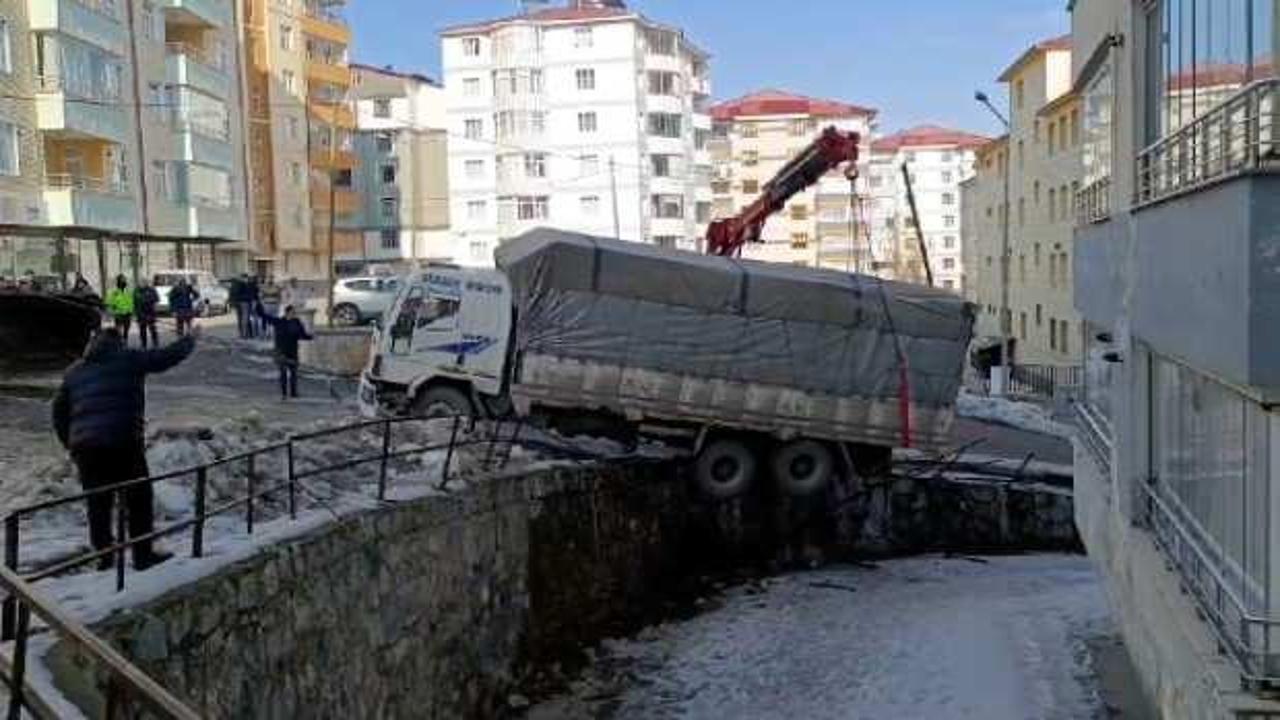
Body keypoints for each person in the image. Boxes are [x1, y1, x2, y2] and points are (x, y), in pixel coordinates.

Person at [51, 326, 199, 571]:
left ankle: (105, 558)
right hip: (123, 442)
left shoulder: (74, 372)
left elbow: (58, 414)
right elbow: (165, 357)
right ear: (118, 342)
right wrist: (190, 339)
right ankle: (142, 555)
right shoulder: (128, 359)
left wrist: (72, 444)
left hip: (87, 449)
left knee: (98, 504)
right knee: (137, 498)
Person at [256, 304, 312, 399]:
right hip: (281, 351)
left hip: (293, 350)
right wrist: (258, 307)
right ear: (287, 312)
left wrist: (310, 337)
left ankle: (293, 393)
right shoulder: (279, 321)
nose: (294, 314)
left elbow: (302, 335)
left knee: (293, 373)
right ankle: (284, 393)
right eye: (292, 312)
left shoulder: (297, 322)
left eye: (294, 313)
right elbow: (265, 317)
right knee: (283, 373)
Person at [104, 275, 134, 345]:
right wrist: (110, 311)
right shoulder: (114, 292)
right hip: (118, 314)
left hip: (127, 313)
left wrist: (132, 311)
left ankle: (125, 341)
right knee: (118, 330)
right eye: (122, 280)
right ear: (118, 281)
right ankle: (119, 342)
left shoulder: (128, 291)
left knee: (126, 330)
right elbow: (109, 302)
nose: (123, 281)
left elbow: (132, 302)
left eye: (124, 280)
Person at [134, 277, 160, 350]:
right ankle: (143, 344)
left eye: (144, 282)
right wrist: (135, 313)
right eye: (141, 282)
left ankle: (155, 343)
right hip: (140, 314)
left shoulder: (151, 290)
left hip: (150, 313)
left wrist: (147, 299)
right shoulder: (136, 290)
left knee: (152, 329)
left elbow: (157, 299)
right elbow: (134, 302)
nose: (142, 283)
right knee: (142, 330)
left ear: (147, 283)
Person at [229, 274, 251, 339]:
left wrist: (232, 303)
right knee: (245, 319)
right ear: (244, 278)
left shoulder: (234, 285)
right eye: (246, 278)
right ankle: (245, 334)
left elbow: (231, 294)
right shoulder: (244, 284)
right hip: (244, 302)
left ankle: (240, 334)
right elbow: (248, 294)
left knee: (239, 318)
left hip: (237, 303)